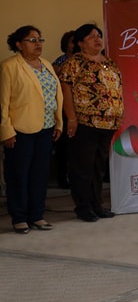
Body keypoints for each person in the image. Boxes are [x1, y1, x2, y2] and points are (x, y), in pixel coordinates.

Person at [59, 24, 124, 222]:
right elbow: (65, 88)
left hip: (108, 123)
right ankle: (83, 206)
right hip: (86, 122)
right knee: (83, 166)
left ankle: (97, 204)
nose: (97, 40)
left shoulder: (109, 62)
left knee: (98, 167)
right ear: (80, 43)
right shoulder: (75, 62)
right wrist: (71, 117)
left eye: (99, 36)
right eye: (91, 37)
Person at [1, 26, 63, 233]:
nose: (38, 44)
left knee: (39, 174)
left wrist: (58, 122)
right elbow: (3, 103)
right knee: (19, 174)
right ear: (19, 44)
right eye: (32, 40)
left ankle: (37, 215)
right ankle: (19, 217)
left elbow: (56, 96)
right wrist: (6, 130)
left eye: (40, 39)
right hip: (20, 130)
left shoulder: (46, 64)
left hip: (46, 128)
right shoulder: (9, 66)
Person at [51, 30, 74, 189]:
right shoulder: (60, 62)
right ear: (66, 44)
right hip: (64, 109)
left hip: (80, 109)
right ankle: (62, 176)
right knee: (64, 146)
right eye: (72, 41)